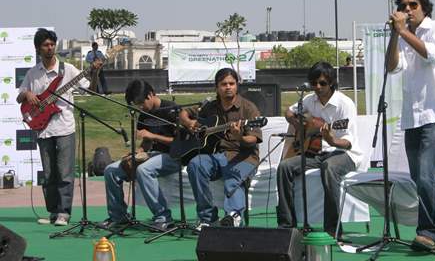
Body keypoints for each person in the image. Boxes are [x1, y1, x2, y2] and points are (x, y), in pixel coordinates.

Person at [387, 0, 435, 251]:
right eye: (403, 6)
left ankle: (427, 232)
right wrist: (396, 37)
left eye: (413, 5)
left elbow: (430, 54)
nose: (407, 10)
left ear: (424, 8)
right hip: (413, 118)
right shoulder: (403, 37)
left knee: (428, 176)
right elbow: (392, 67)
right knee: (425, 179)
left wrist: (403, 31)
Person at [276, 61, 362, 237]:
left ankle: (332, 229)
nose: (318, 87)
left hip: (344, 154)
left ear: (331, 82)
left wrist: (331, 139)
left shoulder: (345, 104)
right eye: (314, 83)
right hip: (315, 153)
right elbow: (289, 112)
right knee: (284, 167)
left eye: (322, 83)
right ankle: (287, 225)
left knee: (328, 167)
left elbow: (348, 142)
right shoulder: (308, 100)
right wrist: (300, 126)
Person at [17, 28, 92, 226]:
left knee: (65, 173)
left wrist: (96, 69)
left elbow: (89, 88)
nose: (50, 48)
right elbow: (19, 97)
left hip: (65, 127)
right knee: (49, 174)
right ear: (38, 48)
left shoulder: (68, 70)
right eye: (45, 45)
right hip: (43, 129)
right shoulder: (33, 73)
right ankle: (52, 212)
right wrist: (27, 95)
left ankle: (64, 213)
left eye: (52, 44)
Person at [180, 68, 262, 230]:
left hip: (243, 156)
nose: (228, 87)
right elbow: (183, 113)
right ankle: (207, 217)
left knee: (233, 177)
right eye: (224, 84)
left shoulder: (248, 108)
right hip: (216, 155)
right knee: (195, 164)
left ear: (237, 85)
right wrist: (190, 124)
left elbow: (253, 139)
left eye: (232, 83)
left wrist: (239, 136)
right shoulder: (209, 107)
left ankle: (233, 217)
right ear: (217, 87)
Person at [101, 79, 179, 231]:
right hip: (153, 155)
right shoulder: (144, 114)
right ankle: (119, 217)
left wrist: (152, 136)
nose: (139, 107)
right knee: (111, 170)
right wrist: (137, 153)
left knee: (144, 170)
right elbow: (146, 144)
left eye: (140, 102)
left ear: (150, 95)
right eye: (135, 105)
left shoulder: (172, 109)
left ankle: (163, 218)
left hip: (174, 156)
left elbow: (180, 142)